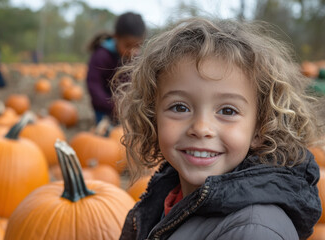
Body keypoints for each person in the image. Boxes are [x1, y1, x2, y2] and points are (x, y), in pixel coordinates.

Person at [113, 17, 325, 240]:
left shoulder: (254, 231)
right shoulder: (167, 193)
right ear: (152, 115)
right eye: (180, 107)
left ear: (260, 128)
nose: (201, 128)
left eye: (227, 111)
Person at [86, 12, 146, 124]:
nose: (133, 51)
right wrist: (113, 106)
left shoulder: (135, 59)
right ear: (116, 38)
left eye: (137, 46)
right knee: (107, 134)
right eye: (128, 45)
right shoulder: (101, 56)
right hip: (103, 108)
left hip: (124, 109)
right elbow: (94, 85)